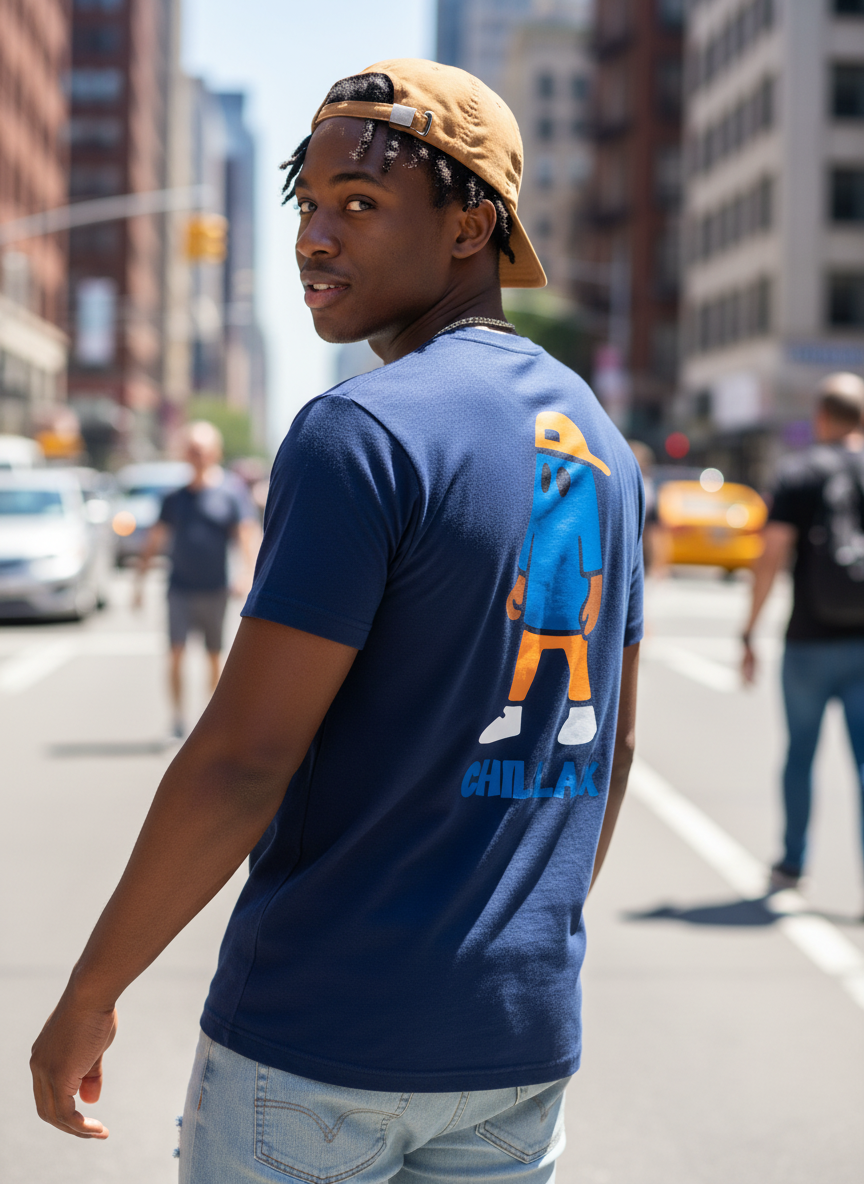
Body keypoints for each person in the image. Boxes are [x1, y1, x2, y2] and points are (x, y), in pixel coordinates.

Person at [30, 60, 644, 1184]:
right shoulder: (602, 442)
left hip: (324, 1042)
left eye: (362, 203)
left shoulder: (361, 430)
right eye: (309, 203)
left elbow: (243, 761)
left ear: (472, 227)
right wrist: (509, 940)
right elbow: (611, 746)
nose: (316, 236)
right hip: (514, 1045)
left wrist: (91, 990)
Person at [742, 372, 864, 895]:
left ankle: (792, 864)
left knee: (800, 754)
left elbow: (771, 555)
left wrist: (749, 630)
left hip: (808, 640)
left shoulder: (799, 473)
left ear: (821, 417)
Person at [136, 420, 260, 738]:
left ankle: (212, 724)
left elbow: (246, 535)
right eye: (191, 450)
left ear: (215, 452)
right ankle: (177, 718)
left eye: (202, 449)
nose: (197, 455)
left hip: (215, 588)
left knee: (214, 656)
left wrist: (248, 575)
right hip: (179, 587)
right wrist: (139, 581)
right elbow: (155, 540)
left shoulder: (231, 493)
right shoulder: (174, 498)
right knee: (175, 653)